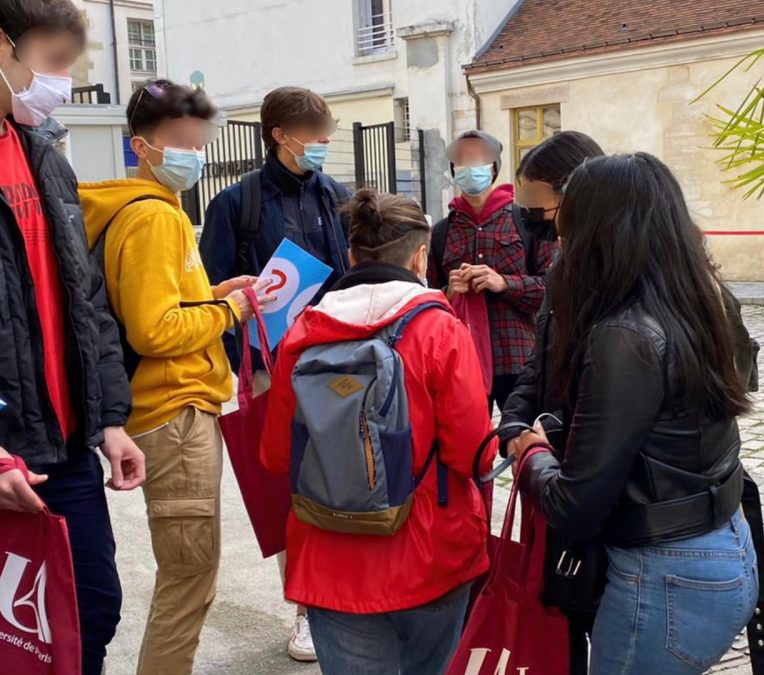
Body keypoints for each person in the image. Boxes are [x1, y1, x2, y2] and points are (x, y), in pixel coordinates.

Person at [509, 153, 757, 674]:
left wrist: (528, 451)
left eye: (565, 225)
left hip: (665, 573)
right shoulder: (702, 296)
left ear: (595, 232)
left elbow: (577, 504)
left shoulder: (623, 336)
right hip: (721, 544)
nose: (558, 239)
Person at [260, 189, 495, 675]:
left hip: (329, 554)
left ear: (350, 255)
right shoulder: (438, 329)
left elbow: (278, 454)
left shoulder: (303, 330)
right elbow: (475, 453)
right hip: (430, 550)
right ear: (420, 256)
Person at [79, 79, 268, 675]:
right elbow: (155, 332)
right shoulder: (155, 218)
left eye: (199, 140)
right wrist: (230, 312)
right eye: (180, 141)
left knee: (185, 575)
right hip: (175, 411)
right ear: (142, 146)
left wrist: (211, 294)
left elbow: (153, 304)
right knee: (188, 581)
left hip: (162, 409)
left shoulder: (130, 210)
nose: (194, 152)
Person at [0, 3, 145, 673]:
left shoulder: (44, 158)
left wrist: (111, 418)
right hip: (6, 458)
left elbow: (85, 301)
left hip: (66, 448)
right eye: (54, 62)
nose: (62, 82)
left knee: (90, 609)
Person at [199, 86, 352, 660]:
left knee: (349, 478)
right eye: (313, 133)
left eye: (327, 130)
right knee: (290, 490)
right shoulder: (238, 204)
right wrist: (250, 334)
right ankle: (305, 609)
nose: (324, 142)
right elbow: (209, 298)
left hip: (340, 364)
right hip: (272, 371)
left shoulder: (336, 195)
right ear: (279, 136)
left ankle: (344, 594)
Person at [498, 130, 605, 675]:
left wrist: (549, 439)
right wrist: (513, 420)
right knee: (559, 612)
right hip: (553, 470)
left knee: (595, 612)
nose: (541, 220)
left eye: (543, 203)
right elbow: (537, 364)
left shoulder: (624, 283)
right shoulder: (562, 269)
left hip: (594, 482)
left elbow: (612, 402)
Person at [429, 130, 558, 410]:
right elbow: (428, 300)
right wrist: (449, 292)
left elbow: (553, 289)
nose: (470, 168)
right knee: (470, 446)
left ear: (494, 168)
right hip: (462, 358)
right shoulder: (441, 232)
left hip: (517, 356)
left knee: (521, 439)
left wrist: (504, 283)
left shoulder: (526, 221)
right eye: (463, 160)